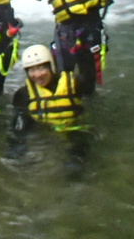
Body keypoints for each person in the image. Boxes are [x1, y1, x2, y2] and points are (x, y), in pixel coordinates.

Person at [8, 44, 93, 178]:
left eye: (42, 68)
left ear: (51, 66)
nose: (37, 75)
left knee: (78, 147)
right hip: (44, 130)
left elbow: (90, 87)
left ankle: (75, 169)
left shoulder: (74, 84)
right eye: (31, 70)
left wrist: (84, 53)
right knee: (21, 118)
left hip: (72, 128)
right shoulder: (23, 94)